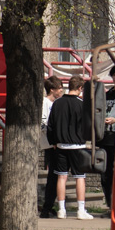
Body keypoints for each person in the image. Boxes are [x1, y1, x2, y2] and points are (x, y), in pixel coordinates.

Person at [47, 74, 94, 220]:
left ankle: (61, 209)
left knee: (61, 177)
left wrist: (53, 142)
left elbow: (51, 125)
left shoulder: (57, 103)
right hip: (78, 146)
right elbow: (88, 125)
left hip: (60, 145)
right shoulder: (82, 104)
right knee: (80, 177)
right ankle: (81, 210)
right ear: (80, 88)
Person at [38, 75, 65, 218]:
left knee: (55, 176)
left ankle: (50, 205)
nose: (61, 90)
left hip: (55, 143)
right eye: (59, 87)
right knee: (53, 176)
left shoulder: (56, 103)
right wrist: (53, 141)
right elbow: (44, 125)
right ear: (52, 89)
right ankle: (46, 208)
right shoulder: (45, 103)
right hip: (50, 145)